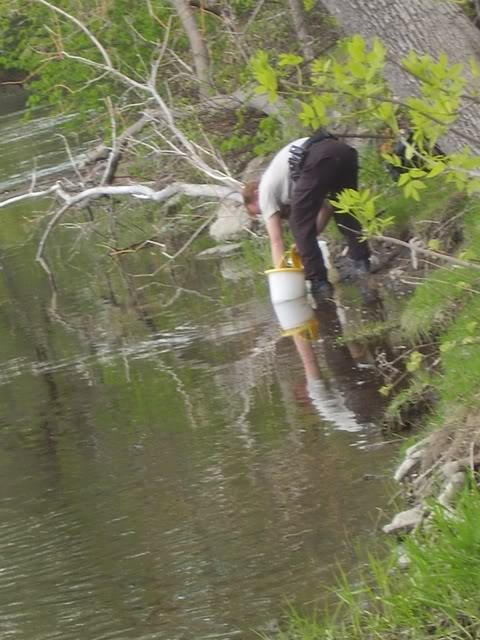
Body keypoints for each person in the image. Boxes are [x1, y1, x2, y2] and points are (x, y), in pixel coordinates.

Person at [243, 132, 371, 299]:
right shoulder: (284, 182)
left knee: (298, 222)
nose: (265, 213)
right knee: (343, 207)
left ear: (255, 193)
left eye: (259, 211)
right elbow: (327, 209)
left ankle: (319, 283)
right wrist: (306, 239)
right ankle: (362, 263)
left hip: (318, 156)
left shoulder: (265, 190)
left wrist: (282, 277)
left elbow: (276, 242)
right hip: (343, 151)